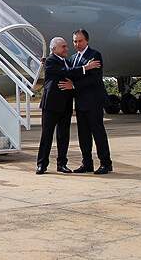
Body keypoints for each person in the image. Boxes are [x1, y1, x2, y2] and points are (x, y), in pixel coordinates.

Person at [37, 37, 102, 174]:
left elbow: (72, 72)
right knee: (47, 135)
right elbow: (65, 72)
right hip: (51, 105)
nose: (67, 49)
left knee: (63, 136)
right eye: (63, 46)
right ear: (54, 49)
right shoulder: (50, 61)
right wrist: (85, 67)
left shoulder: (67, 61)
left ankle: (61, 164)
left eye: (66, 46)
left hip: (65, 105)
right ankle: (42, 164)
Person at [60, 29, 113, 175]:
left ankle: (105, 163)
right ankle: (87, 163)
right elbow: (69, 72)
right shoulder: (73, 58)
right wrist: (84, 68)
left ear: (87, 41)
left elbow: (94, 79)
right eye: (75, 41)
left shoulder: (94, 55)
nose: (77, 44)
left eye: (80, 41)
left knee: (98, 133)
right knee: (83, 135)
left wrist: (74, 85)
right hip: (80, 102)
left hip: (94, 101)